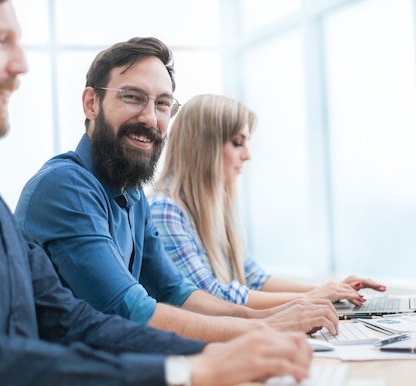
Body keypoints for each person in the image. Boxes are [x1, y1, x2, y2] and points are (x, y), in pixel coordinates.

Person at [0, 1, 312, 386]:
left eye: (163, 104)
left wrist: (212, 354)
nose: (21, 65)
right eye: (0, 42)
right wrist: (188, 370)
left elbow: (74, 319)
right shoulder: (57, 187)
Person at [14, 36, 340, 341]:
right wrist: (263, 326)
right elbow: (131, 311)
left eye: (163, 104)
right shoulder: (65, 186)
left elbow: (176, 292)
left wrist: (271, 315)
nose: (150, 118)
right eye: (132, 97)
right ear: (91, 103)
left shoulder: (132, 193)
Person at [148, 94, 386, 310]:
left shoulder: (212, 212)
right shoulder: (165, 210)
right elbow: (211, 297)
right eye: (237, 142)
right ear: (204, 147)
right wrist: (315, 297)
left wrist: (332, 290)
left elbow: (257, 280)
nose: (248, 154)